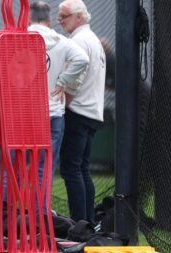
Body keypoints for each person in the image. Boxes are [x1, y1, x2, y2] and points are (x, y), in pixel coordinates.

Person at [28, 1, 89, 189]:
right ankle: (40, 212)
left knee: (16, 168)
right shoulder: (62, 41)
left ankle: (12, 211)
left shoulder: (19, 38)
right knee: (44, 169)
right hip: (52, 112)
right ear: (49, 19)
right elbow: (82, 59)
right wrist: (63, 80)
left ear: (29, 18)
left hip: (24, 114)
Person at [58, 0, 106, 224]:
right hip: (93, 112)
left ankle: (79, 223)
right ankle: (87, 222)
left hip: (77, 111)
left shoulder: (78, 41)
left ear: (79, 16)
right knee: (82, 168)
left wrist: (64, 103)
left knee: (71, 169)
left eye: (65, 15)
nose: (60, 20)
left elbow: (74, 79)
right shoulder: (93, 39)